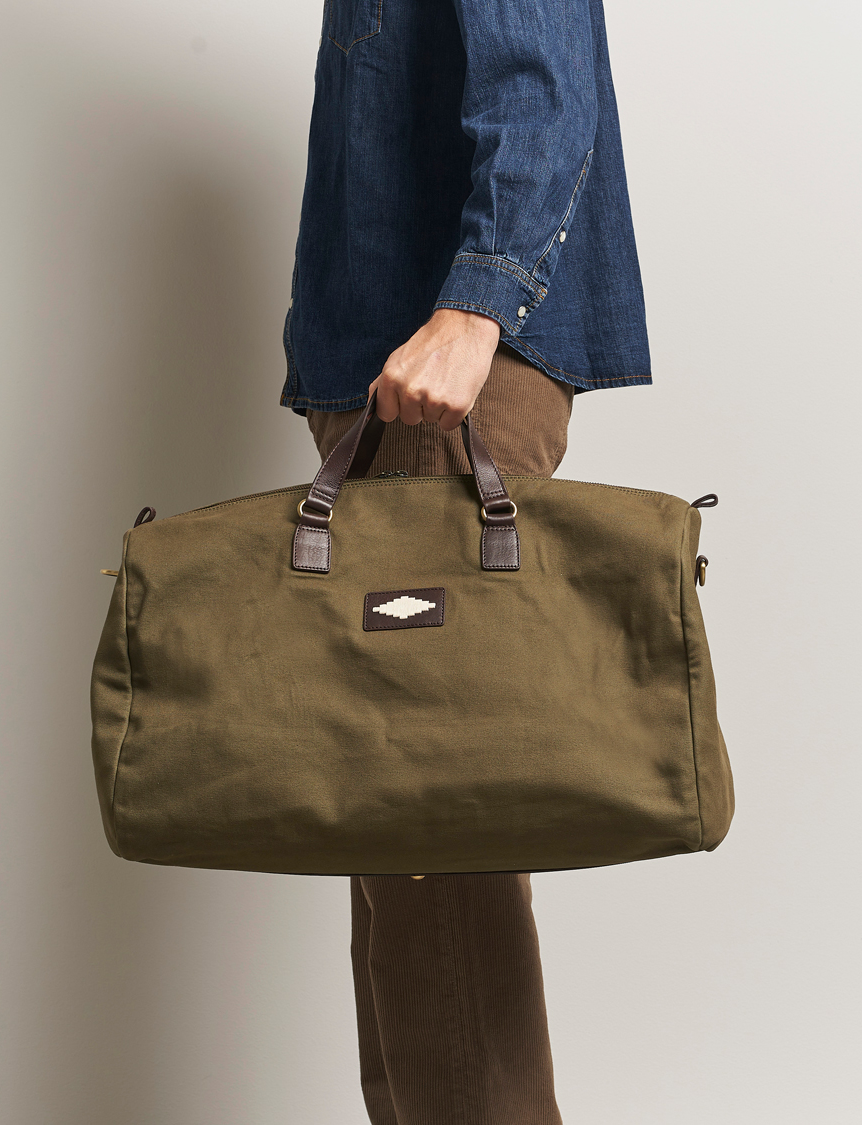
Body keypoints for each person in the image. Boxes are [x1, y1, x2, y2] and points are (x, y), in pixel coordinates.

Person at [281, 2, 651, 1121]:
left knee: (428, 815)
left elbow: (541, 81)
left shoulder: (452, 342)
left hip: (441, 367)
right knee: (394, 818)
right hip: (390, 365)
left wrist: (475, 306)